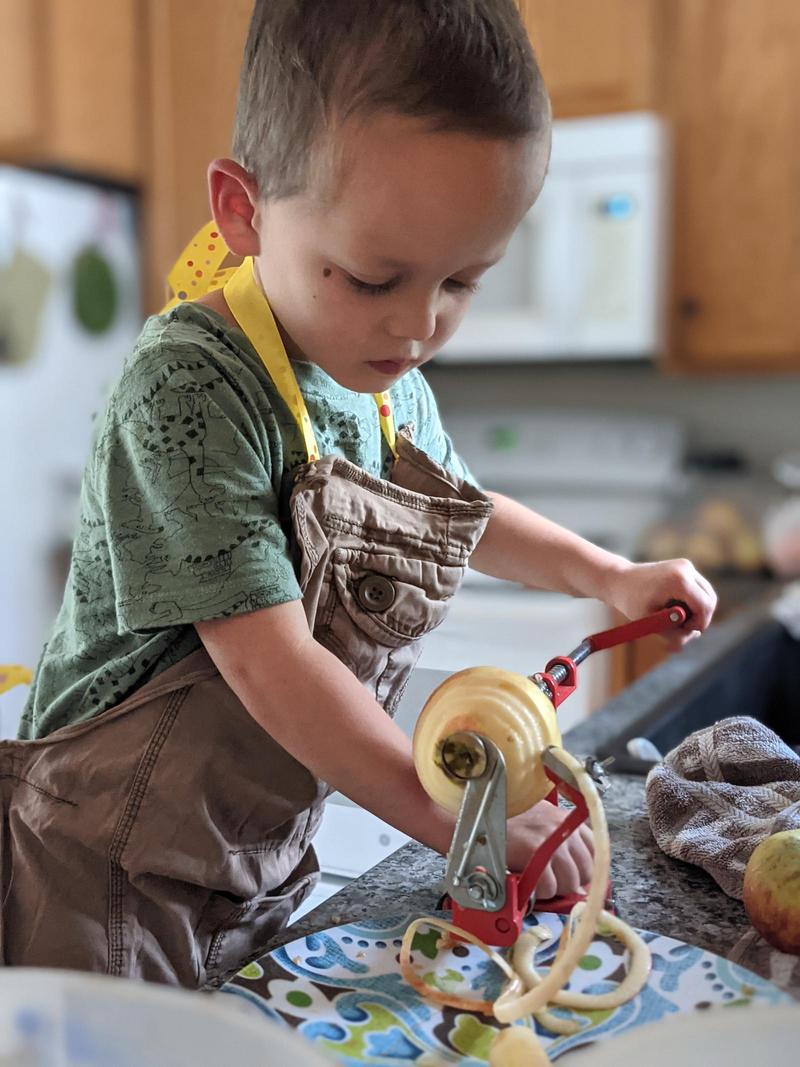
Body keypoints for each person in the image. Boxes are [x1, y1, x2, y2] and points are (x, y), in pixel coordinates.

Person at [2, 0, 716, 987]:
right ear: (242, 210)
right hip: (105, 875)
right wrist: (458, 824)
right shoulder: (188, 388)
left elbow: (462, 515)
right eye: (372, 276)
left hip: (247, 863)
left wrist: (606, 574)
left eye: (462, 280)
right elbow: (272, 668)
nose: (418, 325)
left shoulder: (385, 386)